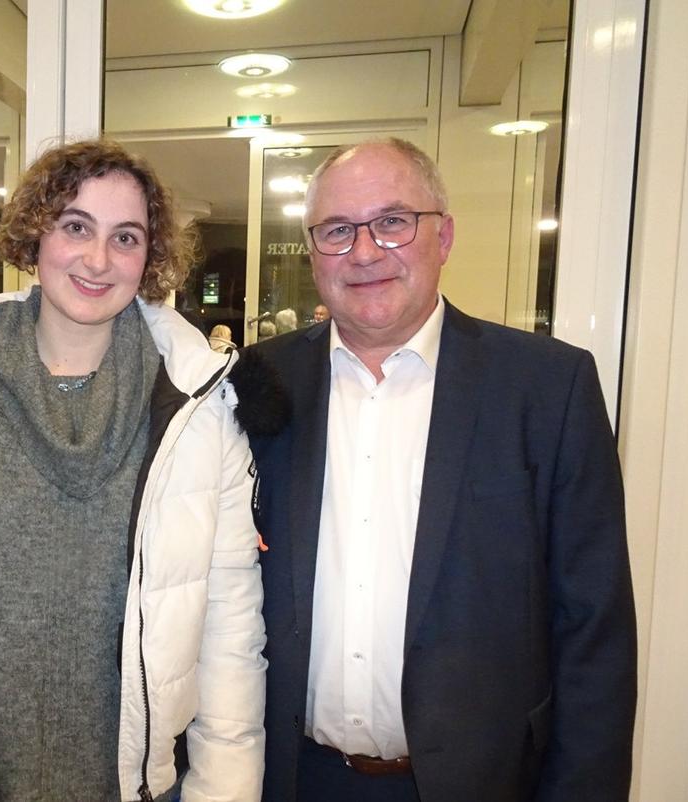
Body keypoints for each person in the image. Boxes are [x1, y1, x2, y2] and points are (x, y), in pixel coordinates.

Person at [237, 138, 635, 801]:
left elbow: (594, 629)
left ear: (443, 235)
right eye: (337, 230)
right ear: (313, 252)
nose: (364, 252)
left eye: (392, 221)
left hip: (477, 782)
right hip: (289, 777)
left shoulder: (546, 387)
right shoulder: (257, 381)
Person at [0, 139, 266, 802]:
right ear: (35, 236)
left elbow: (230, 623)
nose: (98, 260)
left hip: (126, 782)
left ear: (151, 258)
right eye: (75, 227)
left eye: (125, 237)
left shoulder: (194, 403)